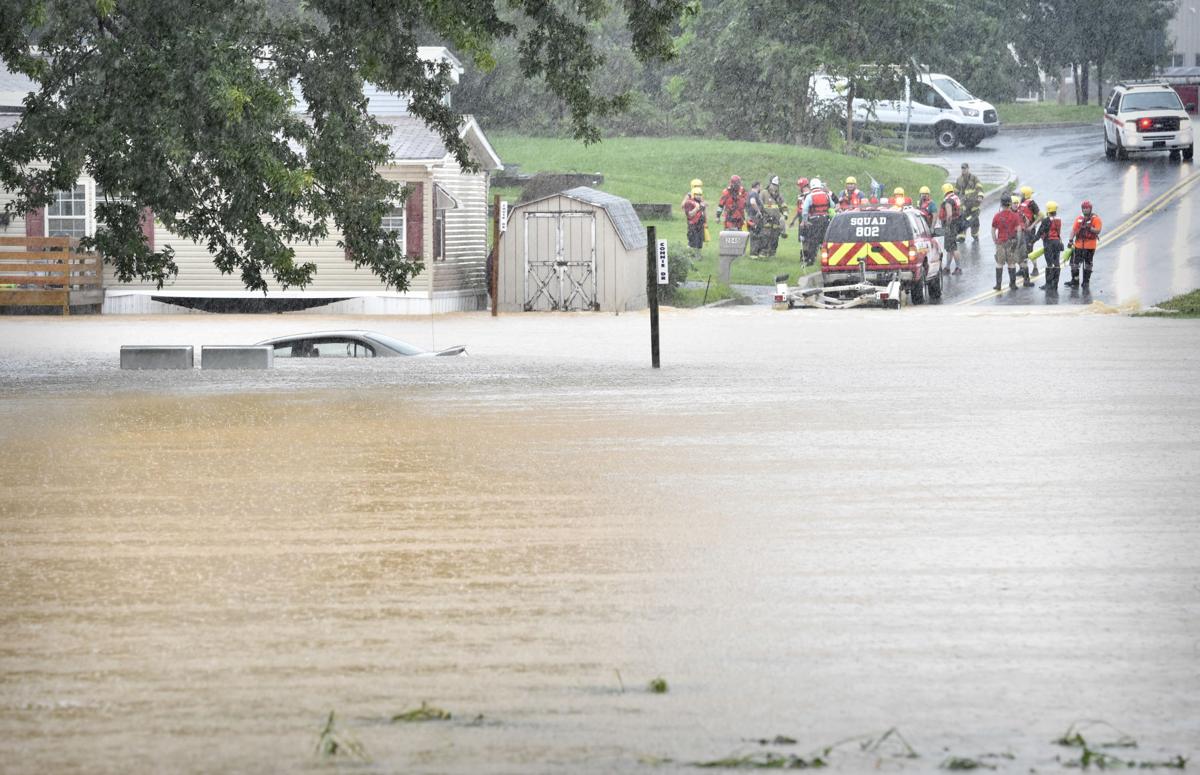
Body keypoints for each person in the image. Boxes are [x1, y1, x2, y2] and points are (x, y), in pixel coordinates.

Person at [1065, 200, 1102, 289]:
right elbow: (1074, 230)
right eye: (1084, 208)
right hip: (1078, 245)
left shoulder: (1095, 219)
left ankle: (1086, 282)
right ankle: (1075, 280)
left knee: (1088, 264)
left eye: (1087, 208)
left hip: (1090, 246)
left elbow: (1098, 230)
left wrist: (1090, 228)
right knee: (1074, 264)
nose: (1085, 210)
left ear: (1090, 209)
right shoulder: (1079, 219)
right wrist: (1070, 240)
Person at [991, 193, 1024, 291]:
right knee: (1011, 263)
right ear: (1010, 203)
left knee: (999, 263)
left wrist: (995, 241)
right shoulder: (1015, 216)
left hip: (1001, 242)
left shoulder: (997, 216)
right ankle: (1012, 284)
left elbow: (993, 230)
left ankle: (998, 285)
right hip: (1011, 242)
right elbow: (1019, 230)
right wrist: (1017, 243)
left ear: (1001, 204)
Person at [800, 177, 834, 266]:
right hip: (826, 220)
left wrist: (805, 221)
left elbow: (805, 210)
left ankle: (811, 260)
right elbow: (832, 205)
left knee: (813, 241)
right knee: (825, 240)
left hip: (814, 221)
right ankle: (827, 259)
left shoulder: (810, 196)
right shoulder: (826, 194)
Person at [1034, 200, 1063, 292]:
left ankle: (1048, 284)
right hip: (1057, 242)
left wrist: (1032, 241)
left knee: (1049, 264)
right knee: (1057, 263)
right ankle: (1055, 284)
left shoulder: (1047, 220)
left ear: (1048, 210)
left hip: (1049, 243)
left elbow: (1040, 232)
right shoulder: (1058, 219)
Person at [757, 176, 787, 257]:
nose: (775, 187)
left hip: (776, 219)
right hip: (766, 218)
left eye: (776, 185)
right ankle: (763, 251)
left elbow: (783, 205)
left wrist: (785, 213)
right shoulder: (763, 193)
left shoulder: (779, 195)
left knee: (775, 236)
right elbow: (759, 204)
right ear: (770, 184)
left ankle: (772, 252)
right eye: (773, 185)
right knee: (765, 235)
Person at [938, 183, 962, 275]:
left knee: (953, 247)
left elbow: (949, 215)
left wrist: (947, 225)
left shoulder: (948, 201)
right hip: (956, 224)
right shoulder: (955, 198)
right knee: (950, 248)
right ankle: (947, 267)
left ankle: (958, 268)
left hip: (950, 226)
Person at [1017, 186, 1042, 278]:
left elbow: (1041, 216)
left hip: (1029, 232)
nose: (1020, 195)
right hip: (1022, 230)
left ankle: (1035, 269)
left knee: (1029, 251)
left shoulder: (1032, 203)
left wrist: (1031, 226)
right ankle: (1022, 269)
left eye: (1021, 194)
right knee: (1021, 250)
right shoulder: (1022, 203)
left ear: (1025, 194)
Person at [956, 163, 983, 241]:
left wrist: (980, 196)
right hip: (963, 205)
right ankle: (961, 236)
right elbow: (956, 191)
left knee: (974, 221)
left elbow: (979, 187)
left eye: (965, 168)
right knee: (962, 219)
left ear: (968, 168)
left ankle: (975, 234)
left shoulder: (974, 178)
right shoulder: (959, 179)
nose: (963, 170)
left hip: (973, 204)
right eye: (962, 168)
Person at [681, 179, 707, 256]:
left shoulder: (700, 199)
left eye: (699, 186)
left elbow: (704, 211)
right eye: (696, 186)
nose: (698, 188)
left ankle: (697, 255)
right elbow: (685, 207)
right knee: (692, 240)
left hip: (700, 223)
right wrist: (695, 207)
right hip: (693, 222)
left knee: (699, 240)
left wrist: (705, 221)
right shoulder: (689, 197)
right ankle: (686, 254)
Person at [746, 181, 764, 254]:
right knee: (755, 235)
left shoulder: (750, 193)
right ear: (757, 186)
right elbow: (752, 202)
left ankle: (755, 252)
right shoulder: (753, 194)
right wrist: (758, 211)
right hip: (754, 218)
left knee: (756, 235)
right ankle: (754, 253)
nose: (761, 188)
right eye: (760, 186)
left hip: (752, 217)